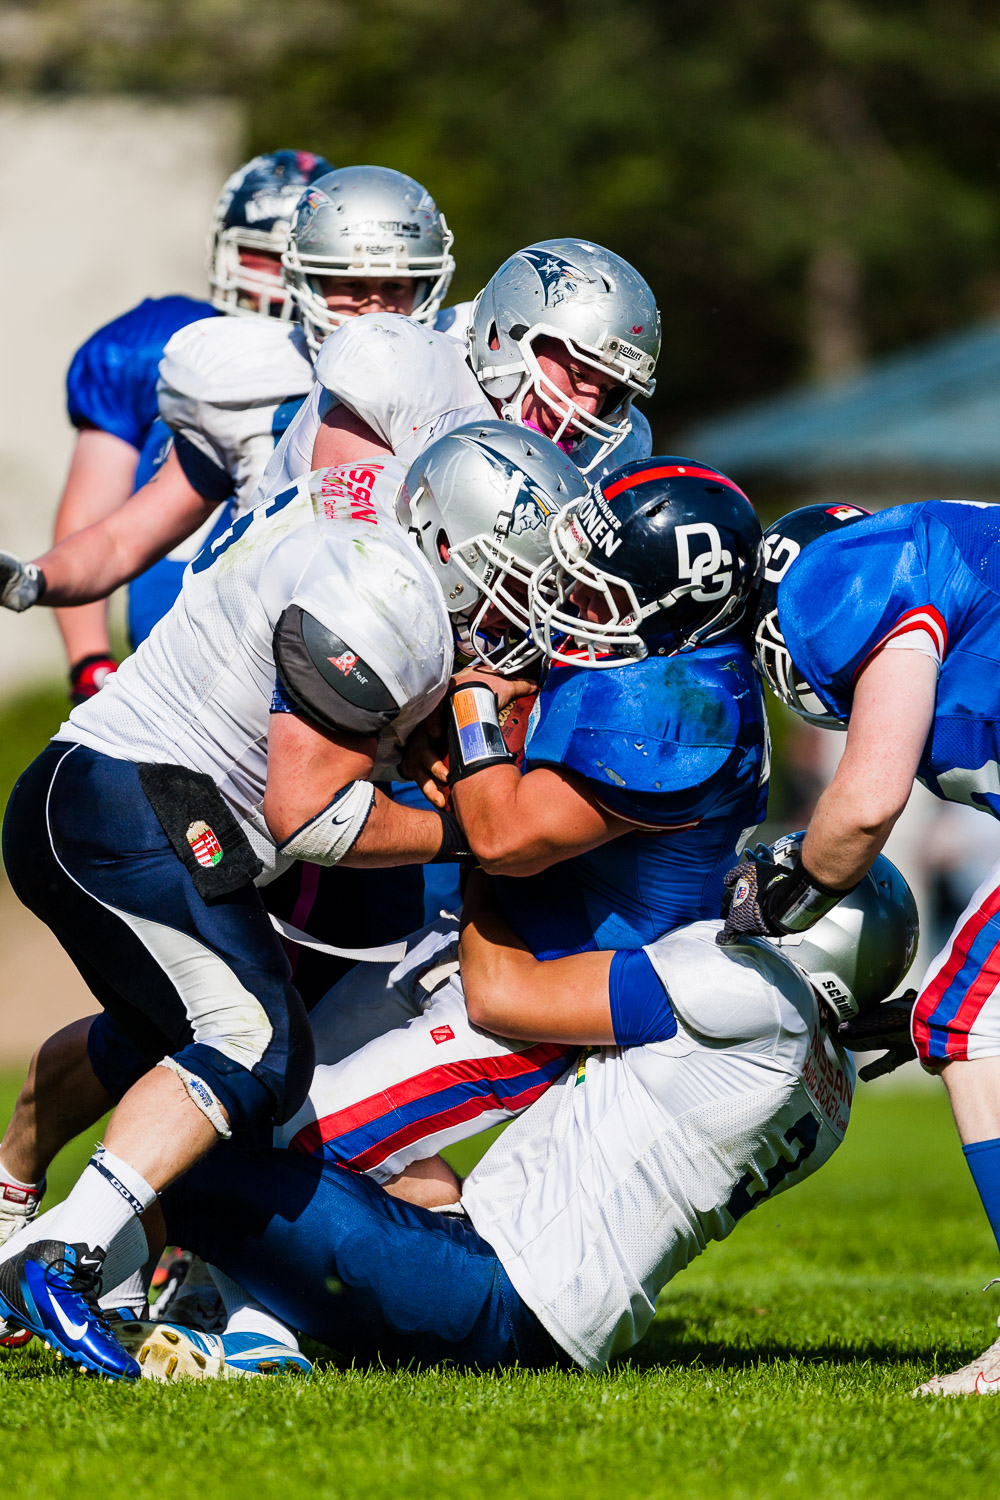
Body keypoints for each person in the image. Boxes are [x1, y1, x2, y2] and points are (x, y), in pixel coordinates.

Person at [0, 423, 581, 1380]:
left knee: (172, 1046)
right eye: (518, 573)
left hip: (112, 792)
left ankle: (35, 1216)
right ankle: (65, 1256)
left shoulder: (376, 522)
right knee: (257, 1044)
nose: (535, 602)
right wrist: (467, 833)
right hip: (134, 800)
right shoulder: (391, 600)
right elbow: (308, 816)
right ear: (451, 543)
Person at [102, 851, 918, 1379]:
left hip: (489, 1290)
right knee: (394, 1174)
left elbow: (501, 996)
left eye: (798, 881)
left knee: (202, 1140)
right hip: (551, 1314)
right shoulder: (831, 1076)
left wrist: (486, 854)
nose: (765, 873)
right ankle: (244, 1312)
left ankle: (122, 1298)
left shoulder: (744, 991)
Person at [719, 498, 1000, 1397]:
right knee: (954, 1011)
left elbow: (866, 806)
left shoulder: (853, 568)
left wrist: (771, 900)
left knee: (970, 1019)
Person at [53, 149, 333, 695]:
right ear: (224, 252)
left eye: (292, 256)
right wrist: (89, 660)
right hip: (168, 669)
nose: (278, 276)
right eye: (259, 254)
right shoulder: (161, 344)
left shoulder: (360, 356)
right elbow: (93, 514)